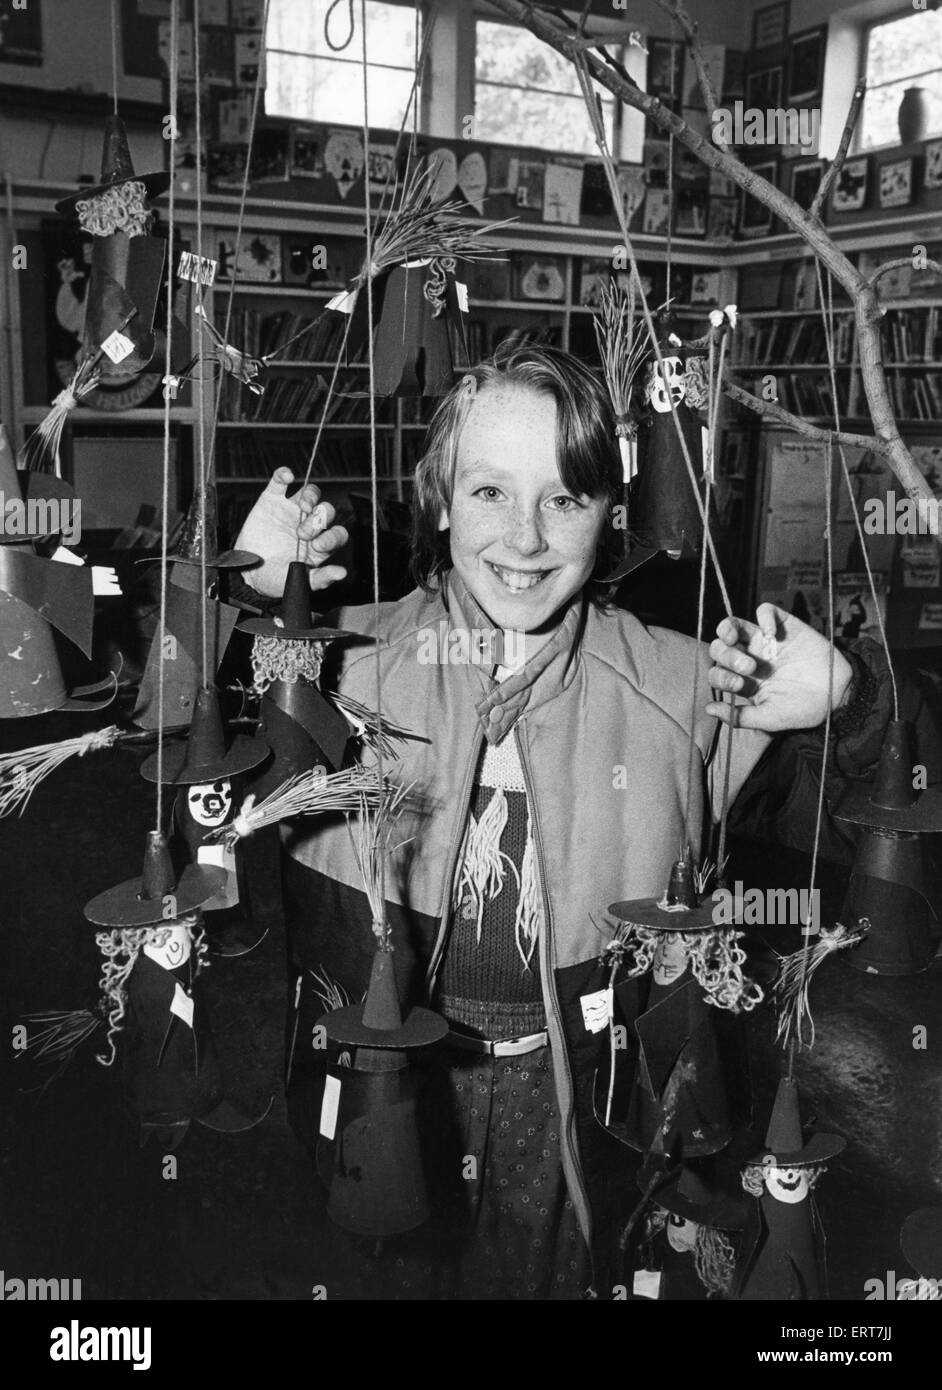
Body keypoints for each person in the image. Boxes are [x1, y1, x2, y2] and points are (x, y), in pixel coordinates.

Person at [236, 345, 881, 1301]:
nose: (528, 539)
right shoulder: (338, 667)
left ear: (609, 512)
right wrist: (254, 600)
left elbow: (878, 827)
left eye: (566, 499)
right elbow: (195, 793)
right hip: (388, 1081)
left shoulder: (683, 685)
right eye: (491, 493)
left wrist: (852, 706)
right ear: (441, 500)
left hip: (582, 1098)